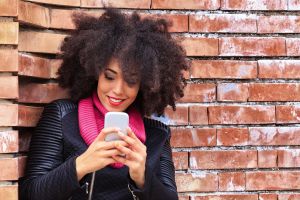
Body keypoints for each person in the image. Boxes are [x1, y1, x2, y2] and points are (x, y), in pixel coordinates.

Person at [19, 8, 189, 200]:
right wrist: (81, 165)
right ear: (95, 73)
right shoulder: (61, 116)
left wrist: (143, 177)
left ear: (145, 85)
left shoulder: (157, 134)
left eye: (131, 81)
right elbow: (30, 194)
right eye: (109, 77)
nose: (118, 89)